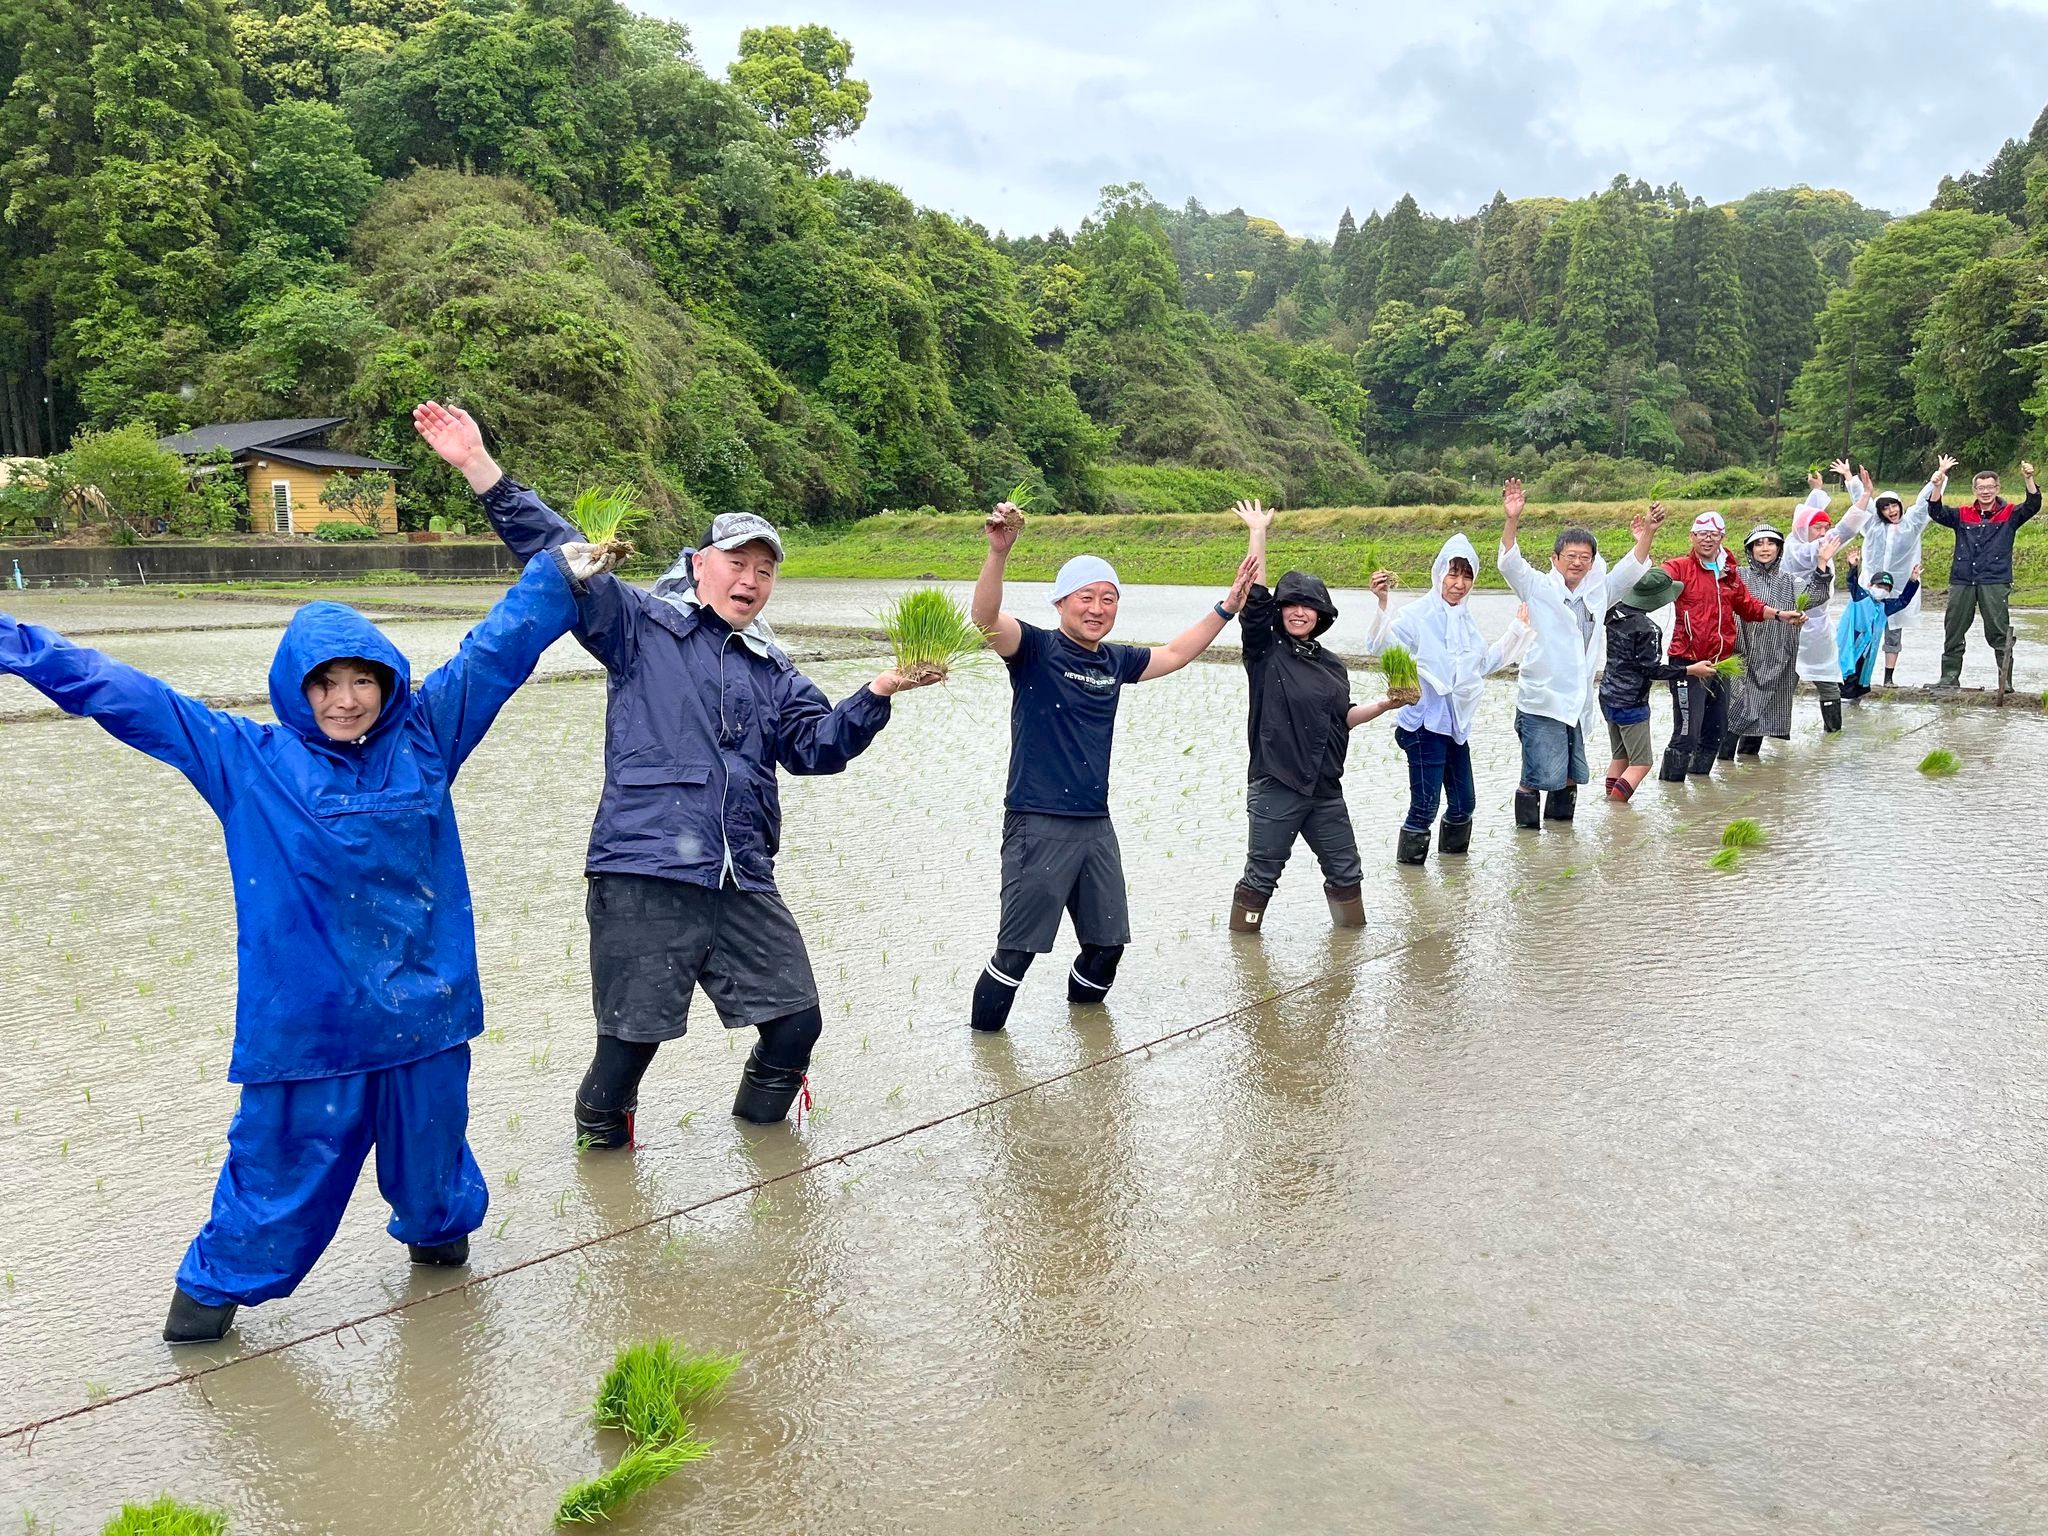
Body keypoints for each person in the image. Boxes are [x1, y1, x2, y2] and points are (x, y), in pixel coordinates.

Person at [0, 529, 600, 1343]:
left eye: (363, 680)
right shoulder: (245, 758)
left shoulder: (425, 738)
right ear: (295, 689)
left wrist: (553, 576)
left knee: (434, 1170)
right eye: (325, 684)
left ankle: (442, 1268)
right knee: (276, 1180)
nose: (347, 699)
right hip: (308, 1030)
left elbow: (494, 653)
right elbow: (121, 691)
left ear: (389, 684)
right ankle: (202, 1318)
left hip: (424, 1016)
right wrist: (13, 645)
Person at [413, 401, 937, 1144]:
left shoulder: (772, 668)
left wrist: (878, 691)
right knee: (630, 1045)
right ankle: (604, 1165)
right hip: (646, 869)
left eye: (764, 570)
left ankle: (763, 1153)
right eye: (737, 563)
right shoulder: (640, 625)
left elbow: (816, 747)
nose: (751, 580)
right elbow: (565, 552)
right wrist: (479, 467)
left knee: (796, 1022)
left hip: (739, 876)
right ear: (700, 566)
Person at [967, 502, 1257, 1032]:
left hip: (1095, 826)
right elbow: (985, 620)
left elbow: (1173, 653)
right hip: (1038, 821)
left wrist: (1226, 608)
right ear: (1061, 603)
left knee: (1106, 947)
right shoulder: (1034, 650)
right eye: (1086, 597)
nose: (1097, 608)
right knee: (1017, 954)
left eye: (1108, 599)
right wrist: (998, 552)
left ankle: (1089, 1043)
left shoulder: (1113, 661)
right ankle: (985, 1060)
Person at [1228, 500, 1400, 933]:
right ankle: (1244, 954)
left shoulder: (1332, 665)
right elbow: (1255, 599)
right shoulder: (1265, 653)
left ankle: (1350, 948)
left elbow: (1344, 717)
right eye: (1290, 605)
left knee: (1346, 872)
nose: (1298, 611)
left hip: (1324, 788)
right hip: (1277, 783)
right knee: (1261, 877)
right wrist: (1258, 533)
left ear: (1321, 615)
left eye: (1307, 606)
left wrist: (1384, 704)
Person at [1497, 480, 1659, 829]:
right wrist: (1512, 518)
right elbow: (1510, 563)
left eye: (1585, 557)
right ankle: (1528, 844)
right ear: (1555, 559)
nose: (1577, 562)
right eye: (1570, 556)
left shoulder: (1598, 592)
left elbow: (1631, 569)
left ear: (1592, 561)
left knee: (1571, 774)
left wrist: (1649, 533)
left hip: (1576, 702)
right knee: (1537, 774)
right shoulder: (1538, 587)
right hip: (1541, 699)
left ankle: (1560, 842)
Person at [1364, 535, 1529, 864]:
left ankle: (1454, 874)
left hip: (1454, 725)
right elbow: (1380, 647)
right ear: (1439, 573)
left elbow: (1483, 664)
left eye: (1467, 576)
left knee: (1464, 804)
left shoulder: (1467, 623)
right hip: (1424, 724)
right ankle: (1412, 884)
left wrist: (1517, 629)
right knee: (1424, 807)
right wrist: (1383, 602)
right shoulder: (1416, 615)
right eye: (1453, 574)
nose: (1459, 584)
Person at [1657, 510, 1806, 781]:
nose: (1707, 539)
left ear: (1722, 537)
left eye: (1713, 534)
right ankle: (1671, 788)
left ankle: (1699, 789)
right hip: (1688, 663)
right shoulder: (1680, 568)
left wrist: (1781, 615)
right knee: (1686, 733)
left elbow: (1748, 606)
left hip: (1721, 664)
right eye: (1702, 534)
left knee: (1715, 731)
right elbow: (1654, 581)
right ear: (1692, 537)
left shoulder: (1729, 573)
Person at [1927, 458, 2041, 692]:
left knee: (1999, 632)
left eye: (1990, 487)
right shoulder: (1963, 514)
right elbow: (1936, 511)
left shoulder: (2010, 514)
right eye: (1981, 488)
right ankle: (1949, 678)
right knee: (1954, 630)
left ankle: (2005, 682)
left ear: (1997, 488)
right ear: (1974, 490)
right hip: (1962, 579)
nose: (1986, 491)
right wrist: (1937, 484)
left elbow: (2033, 504)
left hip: (1995, 580)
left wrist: (2029, 478)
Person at [1601, 569, 1716, 799]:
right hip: (1631, 703)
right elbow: (1651, 670)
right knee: (1642, 763)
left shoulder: (1613, 613)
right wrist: (1690, 670)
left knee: (1620, 757)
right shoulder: (1648, 628)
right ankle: (1616, 809)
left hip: (1608, 695)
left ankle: (1608, 803)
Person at [1721, 524, 1826, 757]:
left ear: (1779, 548)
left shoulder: (1790, 581)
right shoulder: (1738, 577)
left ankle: (1747, 769)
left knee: (1762, 712)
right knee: (1736, 709)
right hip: (1742, 654)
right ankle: (1723, 762)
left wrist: (1821, 565)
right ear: (1750, 549)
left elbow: (1814, 596)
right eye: (1758, 544)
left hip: (1775, 658)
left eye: (1770, 543)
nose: (1765, 548)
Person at [1844, 456, 1950, 686]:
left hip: (1900, 586)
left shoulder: (1912, 523)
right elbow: (1861, 502)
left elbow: (1924, 503)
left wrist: (1938, 476)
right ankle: (1856, 675)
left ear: (1900, 505)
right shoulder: (1873, 525)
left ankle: (1888, 678)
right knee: (1864, 631)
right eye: (1885, 508)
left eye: (1894, 505)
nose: (1891, 511)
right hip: (1870, 588)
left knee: (1894, 631)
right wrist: (1850, 478)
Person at [1839, 553, 1923, 699]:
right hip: (1851, 647)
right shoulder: (1860, 596)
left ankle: (1855, 710)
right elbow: (1852, 583)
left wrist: (1912, 581)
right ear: (1870, 585)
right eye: (1879, 586)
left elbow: (1903, 601)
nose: (1882, 590)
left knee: (1860, 683)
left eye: (1886, 588)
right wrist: (1853, 566)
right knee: (1846, 679)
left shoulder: (1885, 606)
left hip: (1867, 652)